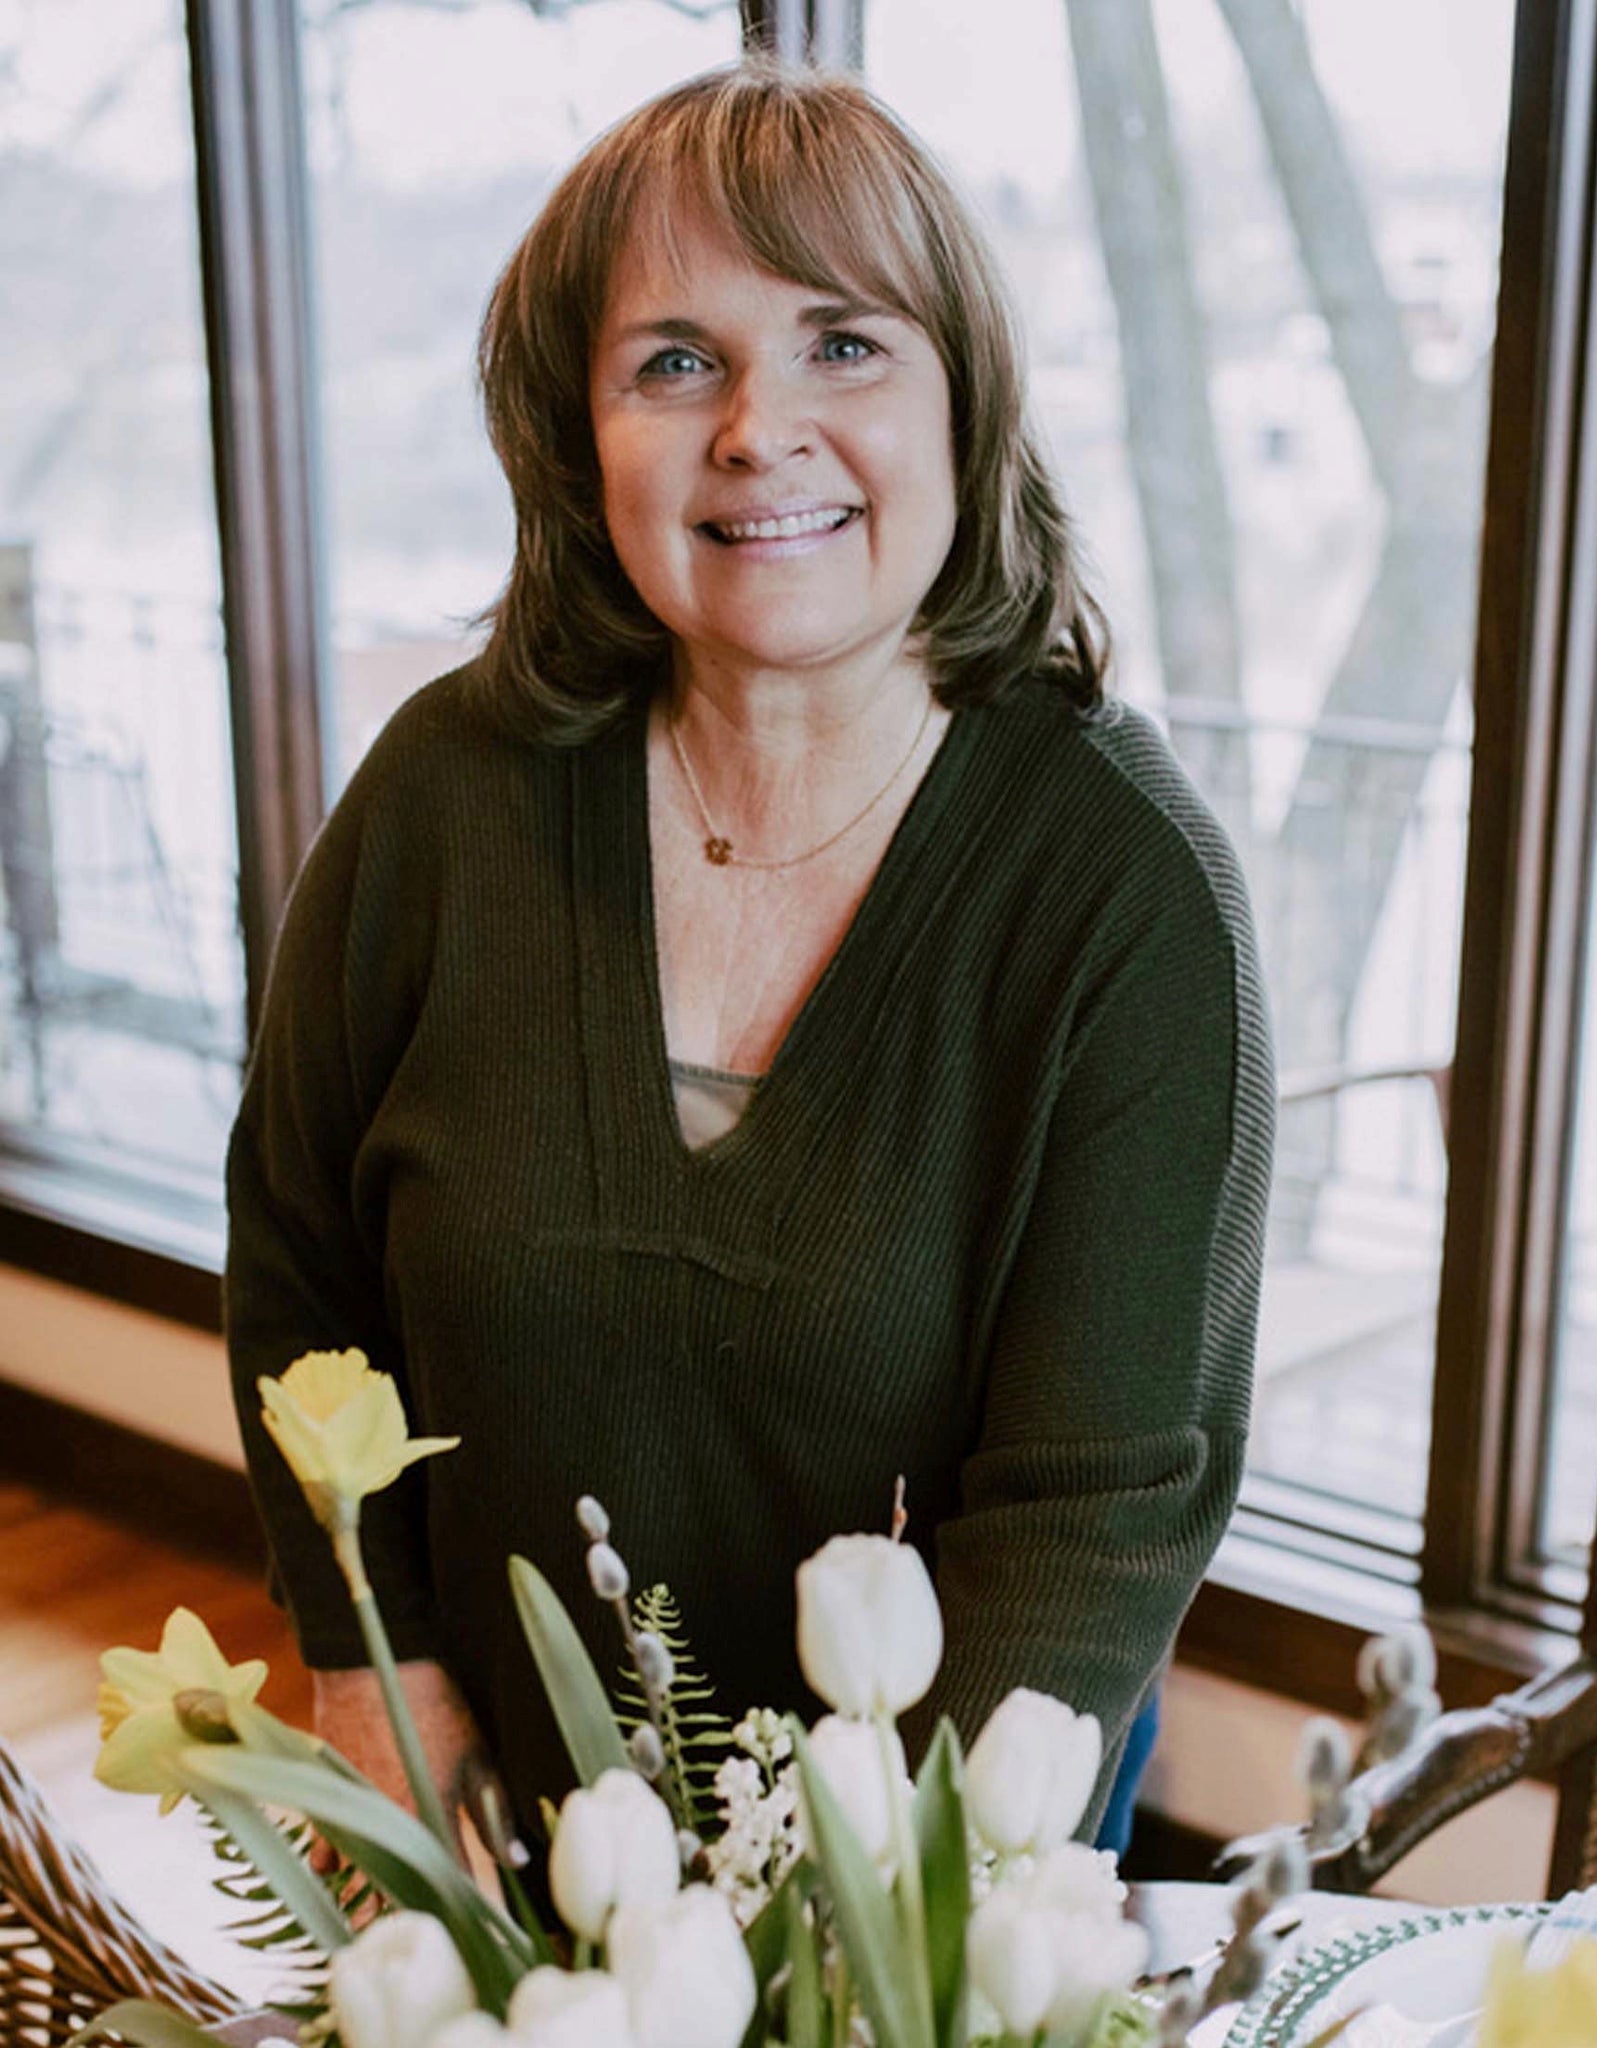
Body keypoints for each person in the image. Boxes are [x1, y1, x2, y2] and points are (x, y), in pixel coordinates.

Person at [225, 60, 1274, 1856]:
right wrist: (370, 1666)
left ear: (967, 403)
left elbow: (1088, 1533)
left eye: (844, 345)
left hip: (922, 1899)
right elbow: (303, 1260)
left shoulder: (1122, 893)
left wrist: (860, 1939)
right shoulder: (439, 798)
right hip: (495, 1852)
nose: (756, 428)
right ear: (581, 440)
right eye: (675, 361)